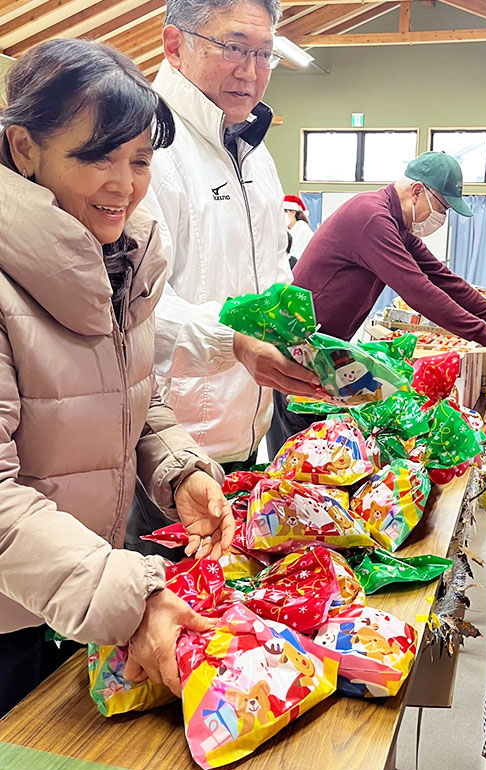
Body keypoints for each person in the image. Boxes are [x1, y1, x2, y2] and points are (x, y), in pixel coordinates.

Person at [0, 39, 235, 717]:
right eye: (95, 156)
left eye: (138, 161)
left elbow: (126, 395)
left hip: (76, 596)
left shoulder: (118, 262)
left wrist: (179, 469)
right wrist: (131, 596)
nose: (123, 184)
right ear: (24, 149)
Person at [129, 0, 322, 553]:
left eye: (265, 54)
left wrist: (293, 333)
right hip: (163, 446)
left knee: (222, 618)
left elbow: (268, 270)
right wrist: (234, 344)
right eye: (235, 47)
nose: (251, 69)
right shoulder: (147, 150)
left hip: (244, 424)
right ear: (174, 44)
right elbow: (130, 306)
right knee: (164, 611)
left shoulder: (253, 151)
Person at [278, 151, 486, 445]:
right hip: (296, 348)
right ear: (417, 191)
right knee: (301, 455)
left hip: (323, 349)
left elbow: (442, 278)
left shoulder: (396, 224)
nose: (442, 218)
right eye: (442, 207)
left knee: (319, 451)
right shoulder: (372, 217)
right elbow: (418, 290)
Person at [284, 194, 314, 261]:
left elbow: (312, 250)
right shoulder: (285, 230)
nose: (283, 214)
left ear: (293, 213)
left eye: (285, 211)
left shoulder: (303, 228)